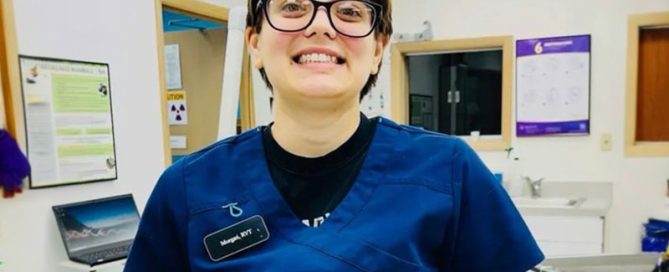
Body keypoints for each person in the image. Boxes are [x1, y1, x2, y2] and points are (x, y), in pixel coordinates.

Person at [125, 0, 544, 271]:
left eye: (348, 11)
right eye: (292, 6)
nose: (322, 25)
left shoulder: (449, 171)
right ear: (254, 43)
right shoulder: (186, 189)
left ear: (378, 49)